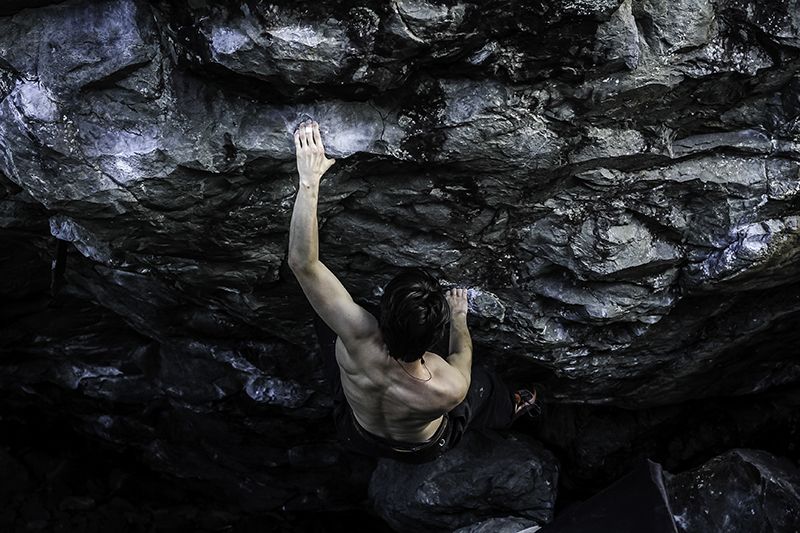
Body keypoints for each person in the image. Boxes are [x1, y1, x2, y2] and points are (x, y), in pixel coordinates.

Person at [287, 119, 538, 464]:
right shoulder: (447, 387)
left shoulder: (355, 336)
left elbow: (303, 263)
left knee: (326, 314)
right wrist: (459, 315)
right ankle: (511, 406)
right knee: (484, 386)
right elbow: (462, 352)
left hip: (355, 431)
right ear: (432, 340)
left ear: (381, 316)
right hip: (419, 447)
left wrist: (310, 180)